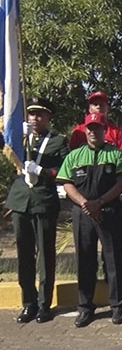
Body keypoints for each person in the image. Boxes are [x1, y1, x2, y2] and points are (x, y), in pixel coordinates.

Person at [57, 113, 122, 327]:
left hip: (109, 209)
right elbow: (67, 183)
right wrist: (85, 204)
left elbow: (120, 182)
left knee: (113, 259)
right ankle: (85, 307)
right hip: (83, 213)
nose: (93, 131)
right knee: (85, 260)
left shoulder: (116, 154)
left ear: (104, 130)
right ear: (85, 130)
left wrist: (100, 202)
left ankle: (118, 305)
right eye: (90, 128)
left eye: (97, 127)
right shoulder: (74, 156)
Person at [6, 98, 68, 323]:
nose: (35, 118)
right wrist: (13, 134)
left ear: (49, 117)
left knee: (45, 254)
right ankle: (28, 304)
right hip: (21, 201)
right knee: (24, 255)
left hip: (43, 201)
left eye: (40, 114)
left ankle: (44, 304)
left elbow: (64, 169)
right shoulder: (18, 139)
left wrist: (42, 171)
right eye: (31, 114)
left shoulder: (58, 141)